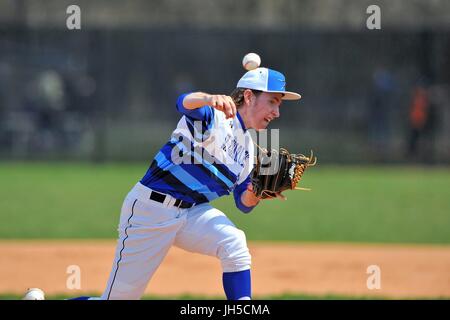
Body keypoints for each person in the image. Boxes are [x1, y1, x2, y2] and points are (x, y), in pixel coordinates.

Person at [54, 67, 301, 300]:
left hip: (191, 213)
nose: (277, 112)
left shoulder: (247, 152)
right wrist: (207, 98)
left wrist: (257, 192)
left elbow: (243, 203)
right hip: (150, 210)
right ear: (249, 96)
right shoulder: (213, 117)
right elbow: (182, 102)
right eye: (273, 101)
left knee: (234, 243)